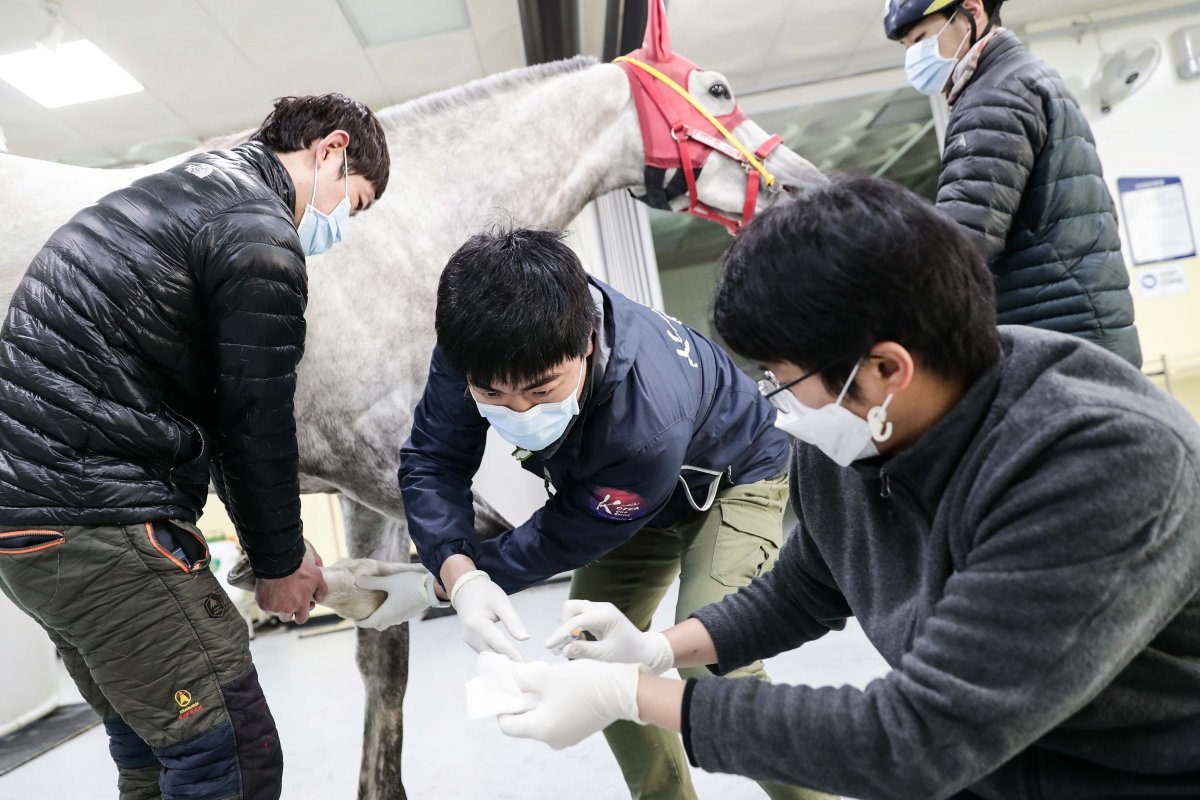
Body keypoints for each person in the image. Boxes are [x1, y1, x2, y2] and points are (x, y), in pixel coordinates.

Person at [490, 175, 1200, 800]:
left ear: (886, 369)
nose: (778, 402)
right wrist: (658, 650)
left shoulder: (1098, 463)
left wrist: (633, 695)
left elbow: (914, 740)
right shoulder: (855, 433)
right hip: (995, 766)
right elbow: (805, 586)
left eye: (786, 378)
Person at [0, 93, 389, 800]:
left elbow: (218, 409)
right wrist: (277, 564)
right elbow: (254, 418)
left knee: (154, 754)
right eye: (352, 203)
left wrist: (277, 545)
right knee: (229, 758)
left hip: (33, 529)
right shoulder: (258, 233)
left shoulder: (180, 194)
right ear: (331, 150)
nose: (339, 226)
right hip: (96, 521)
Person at [383, 227, 829, 800]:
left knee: (712, 657)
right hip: (620, 490)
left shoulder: (644, 419)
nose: (519, 411)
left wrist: (435, 587)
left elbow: (564, 536)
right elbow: (432, 459)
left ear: (586, 344)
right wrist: (458, 572)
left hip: (731, 477)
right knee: (594, 650)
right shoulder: (474, 344)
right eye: (494, 396)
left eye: (542, 391)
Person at [884, 0, 1142, 367]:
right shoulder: (1028, 76)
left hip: (1056, 339)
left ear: (972, 11)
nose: (913, 56)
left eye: (922, 38)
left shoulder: (994, 95)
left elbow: (963, 241)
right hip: (1081, 329)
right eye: (906, 46)